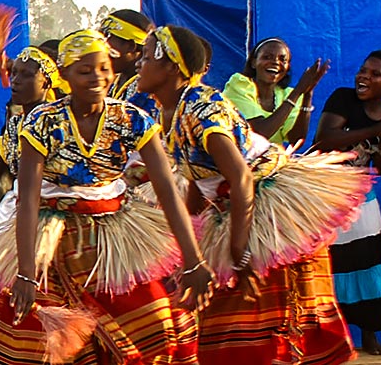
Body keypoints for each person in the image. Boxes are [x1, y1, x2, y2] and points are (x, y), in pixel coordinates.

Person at [0, 30, 210, 365]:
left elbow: (167, 190)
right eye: (85, 70)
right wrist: (27, 273)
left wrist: (193, 260)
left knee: (155, 324)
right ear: (65, 74)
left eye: (104, 68)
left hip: (114, 237)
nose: (97, 77)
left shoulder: (132, 119)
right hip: (49, 239)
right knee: (39, 343)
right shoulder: (42, 123)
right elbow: (28, 199)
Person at [141, 25, 364, 364]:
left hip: (268, 212)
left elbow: (242, 178)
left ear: (171, 67)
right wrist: (184, 246)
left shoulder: (203, 109)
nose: (139, 64)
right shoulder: (170, 111)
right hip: (234, 209)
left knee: (270, 326)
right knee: (228, 327)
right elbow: (197, 179)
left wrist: (239, 253)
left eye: (145, 57)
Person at [0, 46, 61, 360]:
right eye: (13, 73)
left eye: (26, 75)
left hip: (53, 218)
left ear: (47, 82)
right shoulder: (18, 120)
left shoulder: (58, 120)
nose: (15, 81)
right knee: (1, 291)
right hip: (18, 211)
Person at [314, 49, 381, 356]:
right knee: (327, 262)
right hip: (325, 193)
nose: (363, 76)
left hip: (362, 198)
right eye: (363, 70)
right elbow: (324, 140)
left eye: (375, 74)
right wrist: (375, 131)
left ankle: (369, 332)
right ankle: (326, 336)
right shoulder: (343, 98)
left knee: (368, 261)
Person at [223, 37, 330, 145]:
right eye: (267, 57)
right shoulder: (239, 85)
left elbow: (296, 140)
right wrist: (298, 91)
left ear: (287, 68)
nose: (275, 62)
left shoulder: (287, 94)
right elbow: (258, 134)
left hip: (273, 155)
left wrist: (308, 93)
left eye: (282, 60)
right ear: (253, 63)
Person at [98, 9, 155, 109]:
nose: (101, 47)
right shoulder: (111, 82)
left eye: (107, 37)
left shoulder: (149, 90)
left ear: (130, 46)